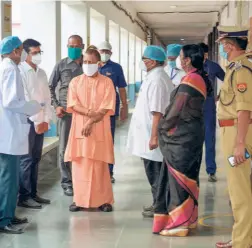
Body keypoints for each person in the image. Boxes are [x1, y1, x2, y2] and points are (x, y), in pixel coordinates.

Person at [153, 44, 209, 237]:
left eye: (181, 56)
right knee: (189, 177)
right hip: (191, 134)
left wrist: (161, 128)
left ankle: (179, 224)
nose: (178, 59)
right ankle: (190, 219)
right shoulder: (197, 77)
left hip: (182, 138)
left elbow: (176, 110)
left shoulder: (191, 79)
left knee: (179, 180)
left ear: (187, 60)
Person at [64, 48, 116, 212]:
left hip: (99, 128)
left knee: (99, 165)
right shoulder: (75, 82)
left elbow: (106, 107)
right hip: (80, 129)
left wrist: (90, 121)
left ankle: (103, 200)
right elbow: (72, 104)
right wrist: (88, 114)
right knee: (80, 164)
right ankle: (79, 200)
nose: (87, 65)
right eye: (85, 62)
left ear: (99, 63)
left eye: (91, 62)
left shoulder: (107, 82)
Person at [215, 26, 252, 248]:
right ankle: (242, 237)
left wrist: (239, 144)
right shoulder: (234, 68)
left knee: (239, 190)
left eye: (223, 44)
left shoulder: (241, 70)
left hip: (239, 133)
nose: (222, 47)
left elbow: (244, 109)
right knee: (237, 188)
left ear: (230, 46)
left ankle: (243, 242)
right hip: (233, 131)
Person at [0, 36, 41, 234]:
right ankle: (3, 220)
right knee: (8, 178)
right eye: (21, 50)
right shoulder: (9, 68)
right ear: (16, 51)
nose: (23, 53)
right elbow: (10, 102)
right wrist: (32, 106)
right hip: (8, 133)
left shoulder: (8, 67)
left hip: (10, 131)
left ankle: (9, 215)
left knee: (11, 178)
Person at [127, 45, 174, 218]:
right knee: (154, 172)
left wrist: (154, 137)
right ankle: (158, 203)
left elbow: (157, 111)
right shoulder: (154, 77)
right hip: (147, 134)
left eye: (144, 59)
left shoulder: (157, 80)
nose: (142, 62)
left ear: (153, 61)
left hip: (151, 136)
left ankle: (161, 206)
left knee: (156, 173)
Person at [18, 39, 52, 209]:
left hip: (41, 121)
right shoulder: (20, 72)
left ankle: (33, 193)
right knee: (26, 159)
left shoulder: (42, 73)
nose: (38, 55)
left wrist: (46, 119)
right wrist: (38, 120)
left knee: (36, 157)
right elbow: (25, 99)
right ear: (25, 54)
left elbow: (47, 98)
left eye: (40, 52)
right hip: (27, 121)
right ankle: (23, 196)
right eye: (34, 52)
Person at [49, 35, 84, 196]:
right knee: (64, 148)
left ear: (82, 46)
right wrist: (56, 106)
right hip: (66, 112)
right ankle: (66, 182)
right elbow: (50, 87)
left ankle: (82, 180)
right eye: (71, 46)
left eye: (77, 46)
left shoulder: (89, 63)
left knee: (83, 148)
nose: (74, 48)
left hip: (85, 114)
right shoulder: (61, 65)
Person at [98, 41, 128, 184]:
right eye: (101, 51)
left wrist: (124, 106)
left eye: (106, 51)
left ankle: (108, 172)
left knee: (108, 141)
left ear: (111, 53)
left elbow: (121, 88)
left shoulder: (116, 68)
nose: (104, 53)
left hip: (110, 110)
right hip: (93, 111)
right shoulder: (90, 66)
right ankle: (96, 171)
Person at [198, 43, 225, 182]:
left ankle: (211, 170)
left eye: (204, 54)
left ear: (207, 54)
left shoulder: (213, 66)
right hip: (194, 106)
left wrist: (219, 95)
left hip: (208, 105)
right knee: (193, 140)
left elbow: (227, 80)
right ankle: (192, 170)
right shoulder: (192, 66)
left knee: (210, 138)